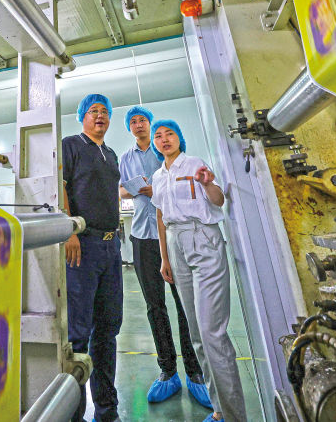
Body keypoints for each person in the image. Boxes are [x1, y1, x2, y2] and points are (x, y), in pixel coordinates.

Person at [151, 119, 248, 422]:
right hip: (175, 244)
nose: (164, 139)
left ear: (178, 138)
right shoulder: (158, 175)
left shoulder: (194, 164)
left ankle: (234, 417)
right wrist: (165, 258)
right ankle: (219, 411)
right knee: (196, 334)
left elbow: (218, 199)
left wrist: (207, 183)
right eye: (158, 136)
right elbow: (161, 216)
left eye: (169, 134)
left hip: (203, 239)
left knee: (211, 333)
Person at [118, 106, 211, 409]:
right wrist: (137, 191)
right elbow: (120, 190)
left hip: (172, 236)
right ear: (130, 128)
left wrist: (155, 190)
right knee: (154, 306)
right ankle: (168, 371)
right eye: (133, 122)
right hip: (142, 236)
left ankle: (195, 372)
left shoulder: (165, 154)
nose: (139, 125)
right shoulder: (126, 158)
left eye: (143, 120)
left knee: (185, 304)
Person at [62, 93, 123, 422]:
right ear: (82, 117)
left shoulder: (110, 154)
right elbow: (60, 186)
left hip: (112, 248)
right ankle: (74, 414)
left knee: (108, 330)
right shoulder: (71, 145)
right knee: (79, 334)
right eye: (93, 111)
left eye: (104, 111)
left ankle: (107, 410)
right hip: (83, 247)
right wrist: (69, 230)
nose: (100, 115)